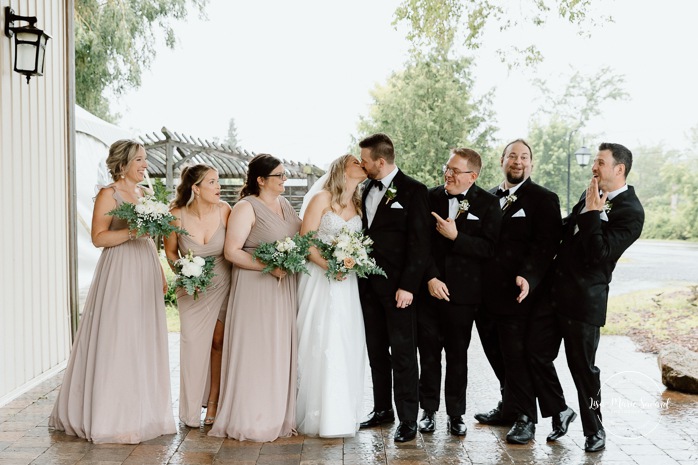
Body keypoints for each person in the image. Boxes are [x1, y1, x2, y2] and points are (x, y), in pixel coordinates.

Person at [49, 139, 176, 443]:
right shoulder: (109, 194)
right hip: (119, 269)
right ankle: (111, 415)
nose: (145, 165)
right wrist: (134, 230)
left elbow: (150, 240)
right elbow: (98, 237)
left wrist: (159, 270)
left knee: (142, 336)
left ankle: (143, 412)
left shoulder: (145, 194)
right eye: (140, 160)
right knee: (118, 335)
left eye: (145, 159)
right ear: (123, 164)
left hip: (144, 265)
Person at [528, 142, 644, 453]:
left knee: (582, 369)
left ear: (619, 169)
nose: (594, 168)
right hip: (553, 294)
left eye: (600, 163)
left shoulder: (632, 211)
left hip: (584, 301)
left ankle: (595, 428)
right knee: (534, 352)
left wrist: (593, 213)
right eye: (594, 162)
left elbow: (600, 255)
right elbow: (569, 232)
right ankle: (560, 409)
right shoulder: (590, 193)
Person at [473, 139, 562, 444]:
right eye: (513, 156)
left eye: (524, 157)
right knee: (494, 353)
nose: (518, 161)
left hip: (519, 295)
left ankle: (526, 418)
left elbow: (546, 246)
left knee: (516, 356)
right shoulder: (485, 197)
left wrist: (528, 276)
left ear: (531, 164)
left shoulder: (543, 199)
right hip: (484, 296)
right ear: (502, 160)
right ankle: (509, 407)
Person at [209, 154, 301, 442]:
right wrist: (269, 266)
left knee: (277, 348)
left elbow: (301, 235)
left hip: (282, 288)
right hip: (255, 287)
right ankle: (251, 417)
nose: (284, 180)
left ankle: (275, 413)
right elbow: (232, 251)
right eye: (279, 176)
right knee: (256, 349)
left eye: (285, 175)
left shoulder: (285, 205)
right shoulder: (246, 207)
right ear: (261, 180)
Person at [417, 148, 501, 437]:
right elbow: (420, 243)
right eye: (447, 168)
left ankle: (456, 414)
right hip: (430, 290)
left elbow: (490, 249)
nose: (448, 174)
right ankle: (427, 411)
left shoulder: (489, 204)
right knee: (427, 354)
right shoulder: (430, 196)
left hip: (464, 296)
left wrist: (457, 237)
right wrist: (430, 277)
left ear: (472, 176)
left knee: (457, 356)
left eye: (455, 170)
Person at [357, 133, 430, 443]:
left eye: (365, 161)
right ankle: (382, 409)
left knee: (402, 354)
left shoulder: (415, 191)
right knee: (376, 353)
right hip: (367, 287)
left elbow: (420, 244)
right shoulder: (363, 190)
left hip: (400, 290)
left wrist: (409, 286)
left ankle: (408, 419)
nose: (362, 165)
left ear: (380, 161)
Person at [296, 154, 368, 437]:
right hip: (321, 278)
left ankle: (341, 414)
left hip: (347, 283)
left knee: (346, 340)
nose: (362, 164)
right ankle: (318, 414)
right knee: (321, 337)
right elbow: (305, 242)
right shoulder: (321, 199)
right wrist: (331, 266)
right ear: (342, 168)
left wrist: (352, 262)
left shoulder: (358, 203)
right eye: (355, 161)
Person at [163, 164, 232, 427]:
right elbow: (170, 253)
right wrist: (184, 271)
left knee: (218, 343)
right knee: (193, 346)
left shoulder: (225, 210)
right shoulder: (175, 216)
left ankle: (213, 403)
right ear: (196, 188)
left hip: (224, 284)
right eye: (212, 182)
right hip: (191, 290)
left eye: (218, 181)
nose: (218, 187)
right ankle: (190, 411)